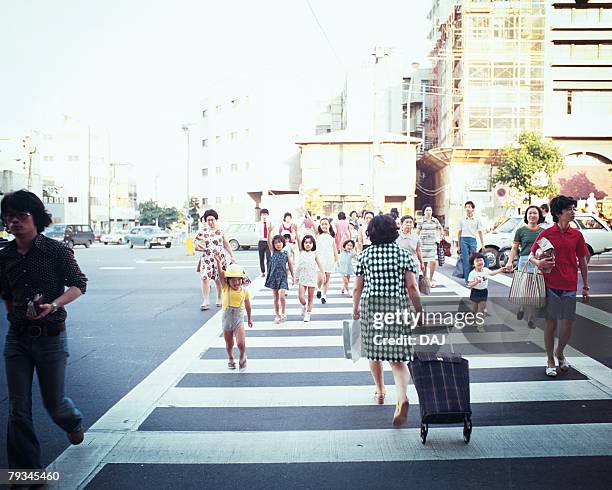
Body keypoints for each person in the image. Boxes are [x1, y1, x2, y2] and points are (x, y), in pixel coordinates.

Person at [0, 190, 87, 471]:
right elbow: (6, 294)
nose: (14, 221)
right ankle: (26, 475)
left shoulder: (55, 250)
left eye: (21, 215)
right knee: (18, 410)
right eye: (9, 216)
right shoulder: (4, 256)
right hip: (17, 339)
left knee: (55, 404)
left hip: (51, 338)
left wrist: (54, 304)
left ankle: (72, 421)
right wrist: (15, 312)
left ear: (35, 218)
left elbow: (78, 285)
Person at [353, 214, 423, 426]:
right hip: (397, 307)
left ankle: (381, 391)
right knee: (398, 358)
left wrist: (355, 309)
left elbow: (357, 287)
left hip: (371, 307)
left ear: (371, 233)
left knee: (373, 353)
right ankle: (401, 397)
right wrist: (419, 310)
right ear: (394, 231)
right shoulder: (403, 255)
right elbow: (412, 287)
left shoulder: (364, 256)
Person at [530, 196, 589, 378]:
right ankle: (550, 359)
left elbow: (583, 261)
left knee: (568, 324)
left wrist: (585, 286)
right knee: (551, 323)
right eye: (569, 209)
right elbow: (531, 254)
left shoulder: (577, 235)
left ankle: (560, 352)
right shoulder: (547, 233)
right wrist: (538, 263)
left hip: (570, 284)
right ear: (558, 213)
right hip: (550, 284)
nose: (573, 212)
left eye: (573, 209)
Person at [506, 205, 546, 327]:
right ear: (526, 216)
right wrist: (510, 261)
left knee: (536, 291)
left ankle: (531, 318)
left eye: (535, 213)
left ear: (539, 216)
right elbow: (514, 248)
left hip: (538, 262)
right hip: (524, 262)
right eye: (530, 213)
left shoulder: (543, 232)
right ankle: (522, 306)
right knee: (525, 289)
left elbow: (546, 249)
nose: (532, 215)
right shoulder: (521, 231)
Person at [213, 253, 252, 371]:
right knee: (229, 343)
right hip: (226, 320)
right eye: (233, 280)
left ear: (242, 280)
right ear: (228, 281)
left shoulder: (245, 292)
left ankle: (242, 356)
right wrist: (219, 263)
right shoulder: (225, 288)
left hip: (238, 320)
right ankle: (230, 357)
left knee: (241, 343)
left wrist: (250, 318)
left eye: (238, 280)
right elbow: (220, 275)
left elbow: (248, 306)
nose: (236, 283)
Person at [194, 209, 236, 310]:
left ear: (216, 219)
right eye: (208, 220)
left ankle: (219, 298)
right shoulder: (202, 232)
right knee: (204, 278)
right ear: (205, 221)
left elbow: (226, 244)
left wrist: (232, 256)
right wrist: (200, 247)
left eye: (212, 219)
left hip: (219, 259)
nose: (210, 222)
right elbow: (195, 246)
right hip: (207, 258)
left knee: (219, 279)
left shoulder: (220, 231)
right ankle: (206, 300)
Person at [266, 234, 295, 323]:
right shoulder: (273, 252)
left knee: (282, 296)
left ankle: (283, 312)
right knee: (275, 298)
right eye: (276, 243)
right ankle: (277, 315)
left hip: (283, 277)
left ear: (283, 243)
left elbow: (290, 264)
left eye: (279, 242)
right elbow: (268, 241)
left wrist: (293, 276)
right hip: (273, 277)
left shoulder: (286, 253)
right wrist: (269, 231)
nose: (278, 244)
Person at [295, 234, 324, 322]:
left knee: (310, 297)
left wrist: (323, 274)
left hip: (312, 278)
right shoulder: (301, 252)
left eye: (310, 243)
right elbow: (298, 241)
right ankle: (304, 305)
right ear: (303, 244)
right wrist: (296, 232)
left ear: (313, 244)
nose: (308, 244)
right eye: (306, 243)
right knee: (301, 297)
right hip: (302, 277)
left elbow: (319, 264)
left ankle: (308, 313)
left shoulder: (314, 254)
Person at [467, 253, 506, 317]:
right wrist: (476, 282)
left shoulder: (485, 270)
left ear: (484, 262)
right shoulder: (472, 273)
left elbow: (492, 273)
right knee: (474, 309)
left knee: (481, 308)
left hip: (483, 291)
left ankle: (480, 324)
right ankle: (474, 319)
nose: (480, 262)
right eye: (477, 261)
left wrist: (500, 270)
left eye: (481, 260)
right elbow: (469, 285)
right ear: (473, 264)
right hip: (475, 292)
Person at [457, 201, 485, 286]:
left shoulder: (477, 220)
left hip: (473, 240)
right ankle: (467, 281)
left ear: (473, 209)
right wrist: (458, 246)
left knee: (473, 260)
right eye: (466, 207)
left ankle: (474, 278)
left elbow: (480, 232)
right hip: (463, 240)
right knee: (466, 261)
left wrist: (482, 244)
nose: (467, 208)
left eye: (469, 206)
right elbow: (459, 233)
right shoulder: (461, 220)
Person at [417, 205, 443, 287]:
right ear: (424, 212)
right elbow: (417, 231)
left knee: (433, 262)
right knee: (424, 263)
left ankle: (431, 279)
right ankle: (425, 280)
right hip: (423, 244)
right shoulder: (421, 221)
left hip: (432, 244)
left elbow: (440, 228)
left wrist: (441, 235)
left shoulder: (435, 221)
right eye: (427, 210)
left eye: (430, 210)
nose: (429, 211)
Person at [315, 218, 339, 304]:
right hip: (319, 260)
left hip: (329, 259)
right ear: (320, 226)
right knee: (320, 279)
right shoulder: (317, 235)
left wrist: (337, 259)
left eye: (326, 224)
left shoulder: (331, 237)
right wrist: (307, 215)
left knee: (327, 279)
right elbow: (313, 224)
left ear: (329, 225)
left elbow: (335, 249)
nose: (324, 226)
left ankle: (324, 295)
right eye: (322, 224)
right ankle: (318, 289)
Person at [396, 215, 425, 280]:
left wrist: (421, 262)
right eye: (407, 222)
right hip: (400, 264)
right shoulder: (396, 236)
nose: (409, 224)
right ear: (401, 224)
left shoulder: (415, 236)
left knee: (414, 284)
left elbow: (418, 250)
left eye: (410, 222)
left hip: (413, 264)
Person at [257, 208, 272, 278]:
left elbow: (272, 233)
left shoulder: (270, 223)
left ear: (268, 215)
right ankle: (263, 271)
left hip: (268, 242)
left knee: (269, 257)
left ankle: (269, 272)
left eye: (265, 214)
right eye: (263, 214)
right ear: (261, 215)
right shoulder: (258, 224)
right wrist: (260, 237)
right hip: (261, 242)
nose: (264, 216)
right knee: (261, 257)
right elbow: (257, 233)